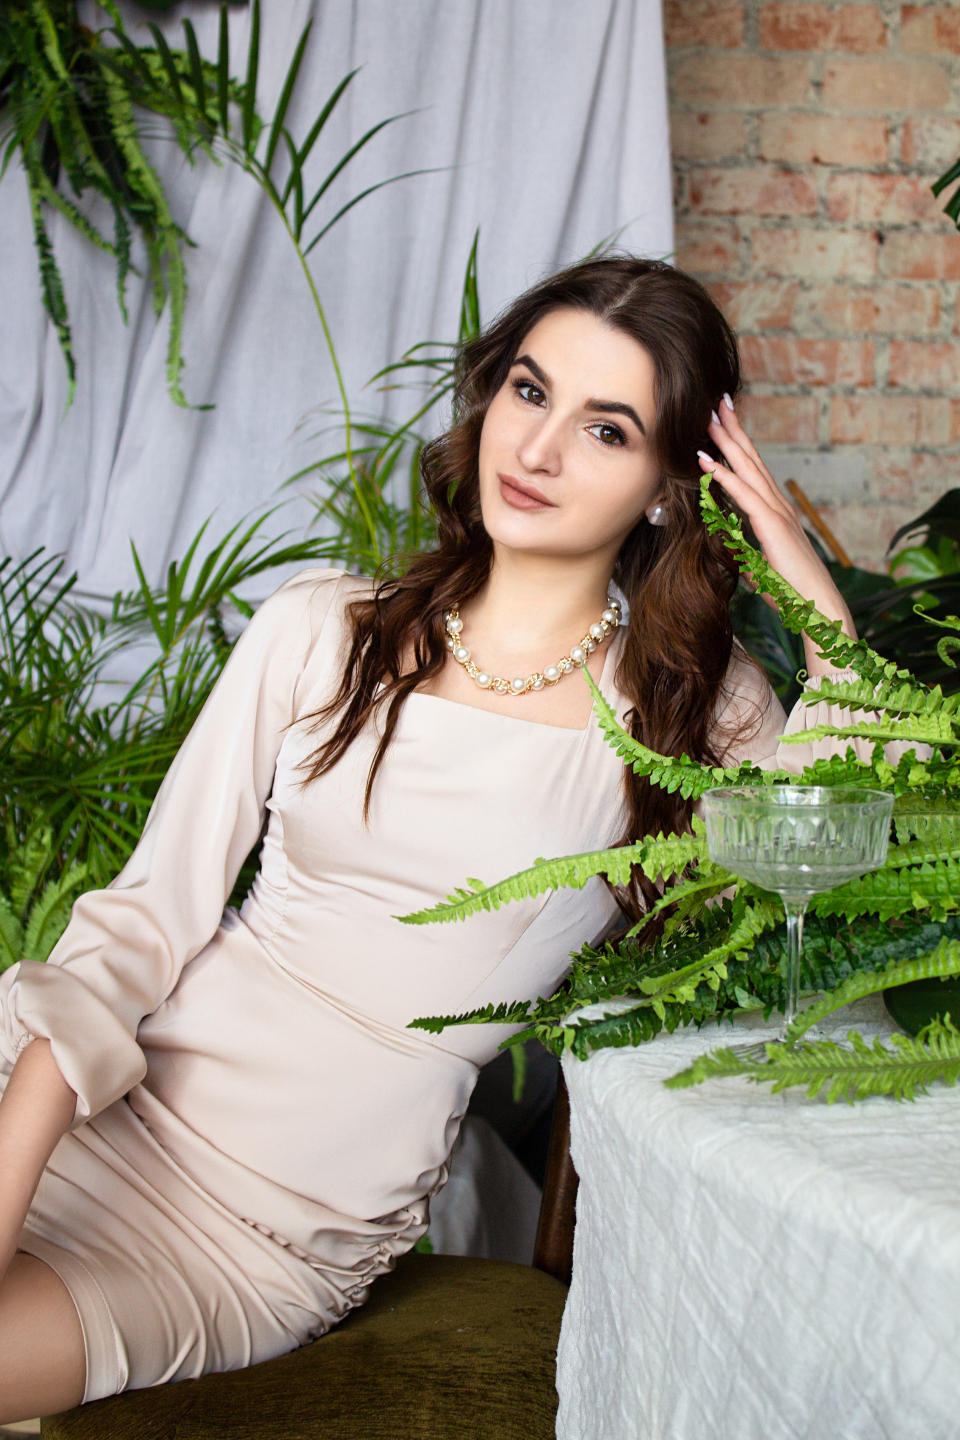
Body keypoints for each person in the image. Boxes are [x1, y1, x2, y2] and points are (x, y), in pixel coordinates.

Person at [0, 255, 861, 1422]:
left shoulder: (687, 719)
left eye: (606, 429)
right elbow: (147, 916)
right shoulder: (322, 630)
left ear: (669, 487)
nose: (539, 448)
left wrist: (810, 595)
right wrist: (31, 1118)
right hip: (86, 1104)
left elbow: (838, 862)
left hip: (266, 1231)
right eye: (529, 390)